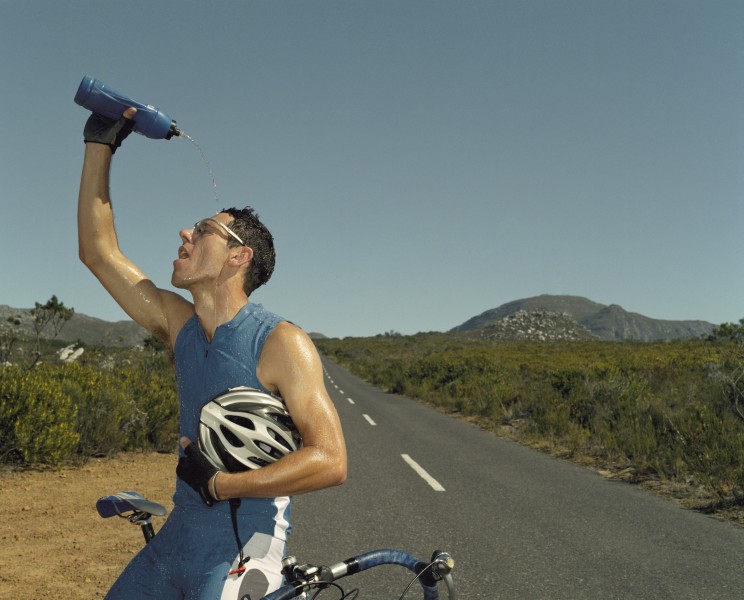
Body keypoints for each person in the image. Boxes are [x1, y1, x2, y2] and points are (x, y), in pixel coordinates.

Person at [78, 109, 347, 599]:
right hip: (179, 535)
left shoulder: (281, 342)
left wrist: (221, 485)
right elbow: (99, 252)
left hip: (245, 542)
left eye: (203, 230)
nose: (185, 233)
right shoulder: (178, 325)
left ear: (238, 256)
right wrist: (100, 144)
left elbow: (330, 460)